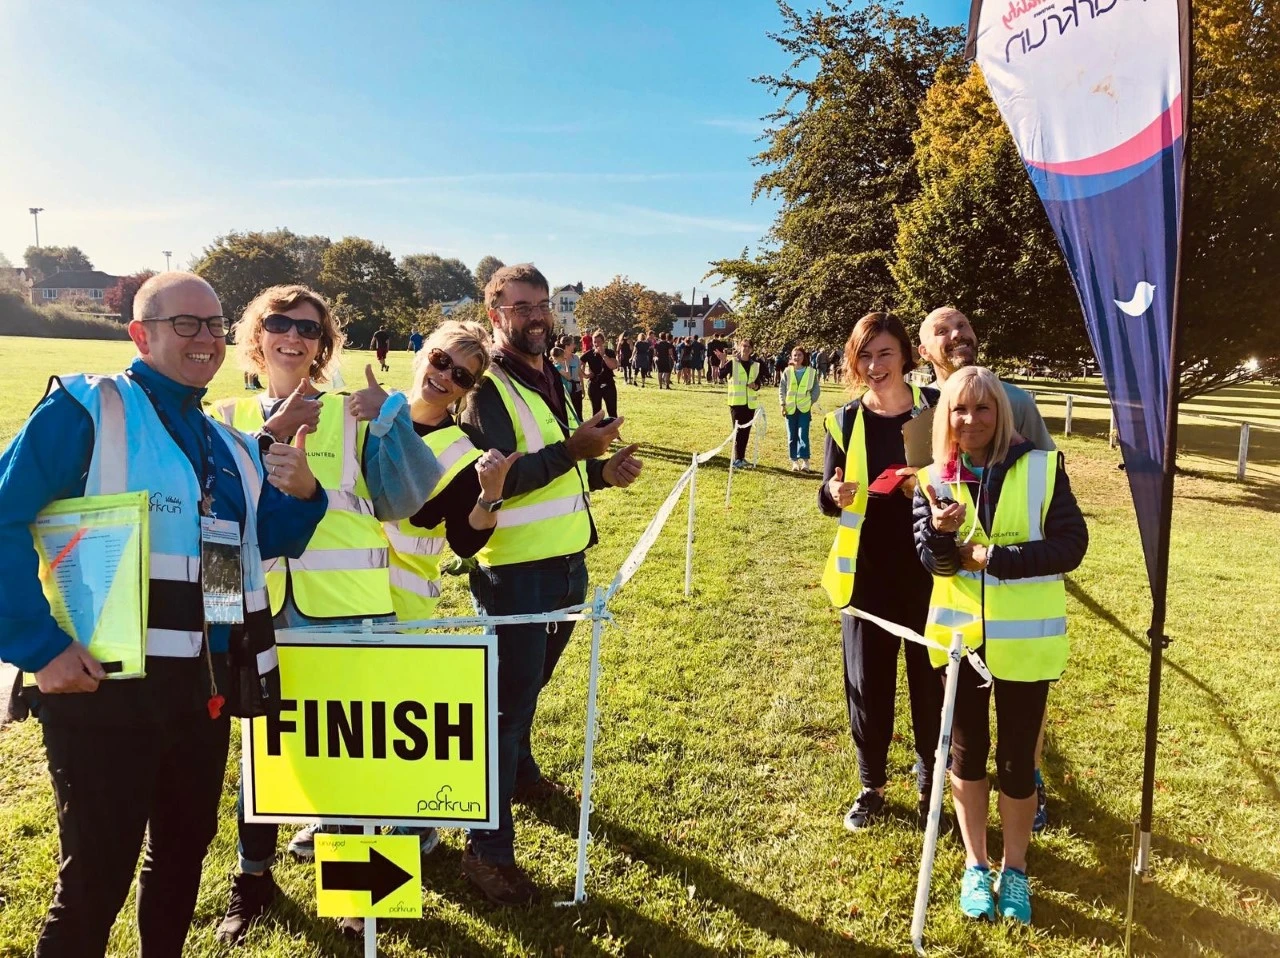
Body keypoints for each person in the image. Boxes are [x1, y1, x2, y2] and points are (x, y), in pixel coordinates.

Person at [0, 273, 326, 958]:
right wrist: (37, 646)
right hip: (102, 690)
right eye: (186, 324)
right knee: (93, 883)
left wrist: (305, 494)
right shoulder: (90, 407)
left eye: (214, 324)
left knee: (179, 863)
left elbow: (268, 538)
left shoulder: (228, 443)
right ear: (140, 334)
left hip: (200, 694)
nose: (205, 338)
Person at [213, 284, 442, 944]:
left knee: (356, 759)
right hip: (257, 614)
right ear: (256, 336)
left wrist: (394, 418)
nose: (293, 335)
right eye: (278, 323)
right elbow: (213, 521)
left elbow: (407, 499)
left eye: (308, 328)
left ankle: (362, 899)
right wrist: (225, 617)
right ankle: (251, 880)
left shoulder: (355, 412)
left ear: (323, 345)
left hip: (348, 618)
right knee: (262, 753)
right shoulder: (220, 415)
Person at [459, 263, 643, 905]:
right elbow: (503, 480)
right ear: (495, 316)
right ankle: (485, 854)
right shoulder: (486, 390)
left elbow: (556, 471)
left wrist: (601, 474)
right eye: (522, 306)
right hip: (515, 574)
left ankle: (521, 773)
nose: (538, 315)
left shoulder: (548, 379)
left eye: (543, 304)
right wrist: (576, 452)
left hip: (565, 564)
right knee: (506, 705)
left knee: (526, 687)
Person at [914, 366, 1087, 924]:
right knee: (966, 757)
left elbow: (1071, 545)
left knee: (1016, 762)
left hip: (1025, 645)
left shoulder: (1041, 467)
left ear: (1002, 413)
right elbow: (931, 561)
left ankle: (1014, 870)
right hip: (960, 643)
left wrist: (1000, 560)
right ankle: (974, 864)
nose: (970, 420)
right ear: (946, 416)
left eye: (983, 409)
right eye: (959, 410)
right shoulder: (931, 477)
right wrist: (941, 533)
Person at [917, 305, 1055, 830]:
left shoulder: (1013, 398)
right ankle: (946, 767)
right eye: (943, 331)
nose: (958, 336)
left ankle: (1029, 780)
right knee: (952, 689)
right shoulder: (919, 405)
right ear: (923, 347)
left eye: (964, 327)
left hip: (1012, 578)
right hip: (941, 564)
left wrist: (1013, 555)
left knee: (1022, 699)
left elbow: (1045, 478)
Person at [818, 312, 942, 835]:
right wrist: (832, 493)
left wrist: (934, 492)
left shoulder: (937, 412)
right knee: (868, 683)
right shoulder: (843, 421)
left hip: (931, 572)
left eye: (884, 354)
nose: (874, 365)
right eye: (864, 355)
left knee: (929, 679)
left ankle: (931, 777)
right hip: (866, 574)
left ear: (906, 357)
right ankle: (872, 786)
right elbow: (828, 492)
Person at [718, 337, 766, 468]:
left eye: (748, 347)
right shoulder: (733, 362)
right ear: (739, 347)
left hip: (750, 404)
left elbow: (759, 383)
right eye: (743, 346)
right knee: (738, 432)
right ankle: (737, 459)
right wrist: (722, 361)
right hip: (736, 403)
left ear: (752, 349)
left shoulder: (756, 365)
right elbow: (721, 375)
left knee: (746, 432)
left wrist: (755, 386)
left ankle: (741, 458)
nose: (745, 349)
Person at [779, 345, 821, 471]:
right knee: (792, 436)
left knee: (803, 434)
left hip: (804, 409)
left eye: (799, 355)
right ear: (791, 357)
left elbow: (816, 390)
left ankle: (805, 462)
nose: (797, 357)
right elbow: (782, 389)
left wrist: (809, 402)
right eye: (795, 355)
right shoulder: (787, 371)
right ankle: (794, 461)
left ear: (804, 357)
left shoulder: (811, 372)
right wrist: (782, 404)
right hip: (790, 408)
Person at [582, 328, 619, 418]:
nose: (596, 344)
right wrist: (585, 374)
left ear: (603, 341)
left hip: (608, 384)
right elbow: (578, 365)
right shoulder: (589, 354)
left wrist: (603, 355)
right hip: (594, 384)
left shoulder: (609, 352)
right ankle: (597, 430)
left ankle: (612, 431)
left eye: (598, 342)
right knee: (596, 413)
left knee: (612, 411)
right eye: (594, 342)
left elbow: (613, 366)